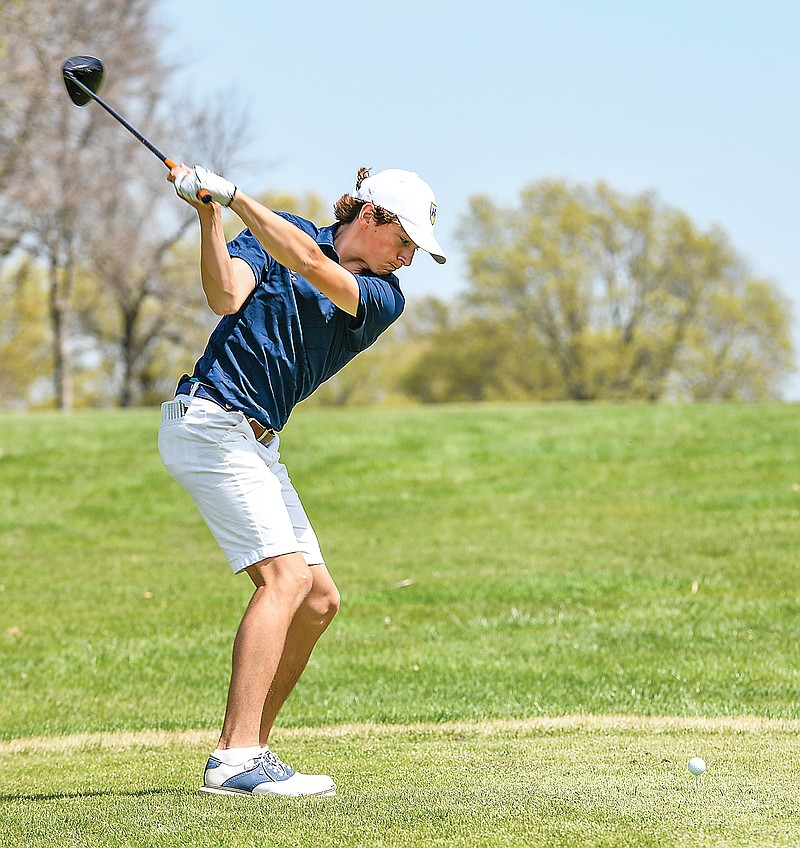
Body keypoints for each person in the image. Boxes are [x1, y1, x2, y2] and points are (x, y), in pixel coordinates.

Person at [158, 163, 445, 797]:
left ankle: (252, 749)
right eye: (404, 243)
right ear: (369, 216)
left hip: (257, 444)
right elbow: (227, 295)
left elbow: (315, 268)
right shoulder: (278, 231)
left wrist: (233, 198)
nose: (406, 259)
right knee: (285, 579)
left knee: (318, 600)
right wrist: (209, 216)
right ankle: (233, 758)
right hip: (211, 421)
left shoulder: (382, 297)